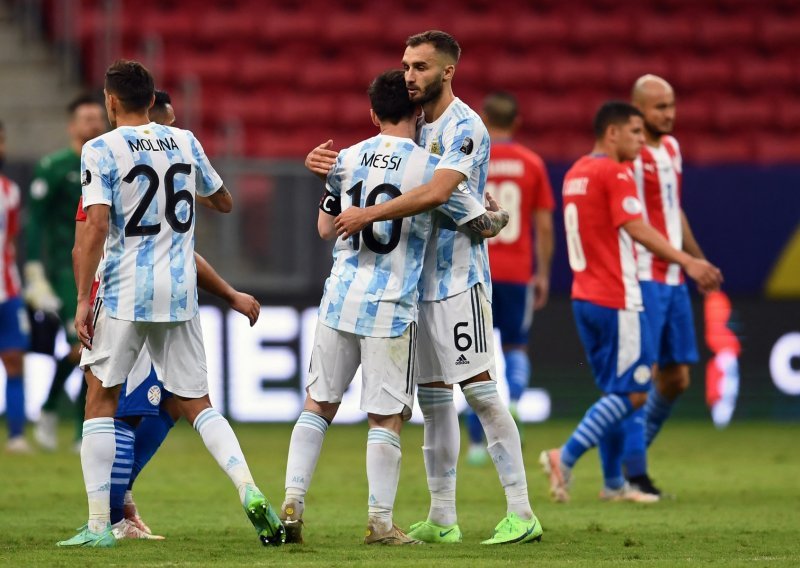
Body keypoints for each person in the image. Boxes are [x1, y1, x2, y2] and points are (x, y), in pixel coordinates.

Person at [320, 30, 542, 545]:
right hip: (417, 284)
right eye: (405, 65)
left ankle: (522, 510)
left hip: (459, 281)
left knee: (482, 391)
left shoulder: (466, 126)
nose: (408, 75)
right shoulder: (417, 128)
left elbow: (439, 191)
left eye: (420, 66)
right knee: (435, 400)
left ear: (447, 72)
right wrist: (329, 173)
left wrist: (367, 212)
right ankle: (443, 516)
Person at [57, 59, 284, 548]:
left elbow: (95, 225)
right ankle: (248, 488)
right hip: (180, 290)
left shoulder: (100, 148)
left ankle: (99, 526)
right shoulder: (183, 141)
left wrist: (81, 298)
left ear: (111, 101)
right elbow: (223, 200)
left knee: (101, 399)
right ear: (151, 99)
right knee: (197, 403)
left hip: (123, 289)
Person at [282, 68, 489, 546]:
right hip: (392, 306)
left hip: (339, 298)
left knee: (317, 404)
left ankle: (293, 500)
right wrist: (490, 211)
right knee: (386, 417)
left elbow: (324, 228)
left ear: (373, 113)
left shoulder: (347, 158)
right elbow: (480, 223)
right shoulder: (429, 169)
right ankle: (379, 522)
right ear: (418, 112)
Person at [539, 101, 722, 503]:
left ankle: (614, 484)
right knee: (635, 393)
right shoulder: (615, 171)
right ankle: (563, 456)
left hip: (583, 297)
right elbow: (636, 226)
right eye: (636, 132)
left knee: (616, 393)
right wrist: (688, 260)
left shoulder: (576, 173)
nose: (642, 140)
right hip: (617, 296)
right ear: (613, 133)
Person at [621, 75, 715, 497]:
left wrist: (696, 259)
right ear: (638, 110)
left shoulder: (673, 149)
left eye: (672, 104)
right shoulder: (630, 156)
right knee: (643, 377)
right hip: (643, 275)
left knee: (677, 378)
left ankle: (630, 456)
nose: (669, 114)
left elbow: (675, 212)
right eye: (660, 107)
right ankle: (633, 474)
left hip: (676, 276)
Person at [466, 91, 555, 466]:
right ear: (517, 122)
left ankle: (473, 445)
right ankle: (516, 398)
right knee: (516, 346)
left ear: (483, 119)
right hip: (518, 274)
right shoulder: (531, 163)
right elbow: (544, 225)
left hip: (477, 271)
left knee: (474, 359)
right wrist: (544, 274)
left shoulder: (474, 160)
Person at [28, 94, 106, 452]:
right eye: (85, 118)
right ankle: (68, 423)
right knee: (82, 345)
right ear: (71, 126)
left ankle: (72, 425)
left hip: (106, 267)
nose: (93, 123)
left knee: (92, 350)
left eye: (97, 117)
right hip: (67, 267)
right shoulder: (55, 166)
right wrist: (34, 271)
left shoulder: (110, 162)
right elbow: (36, 223)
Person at [0, 120, 31, 453]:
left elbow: (10, 240)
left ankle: (17, 436)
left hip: (6, 290)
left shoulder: (9, 190)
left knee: (14, 360)